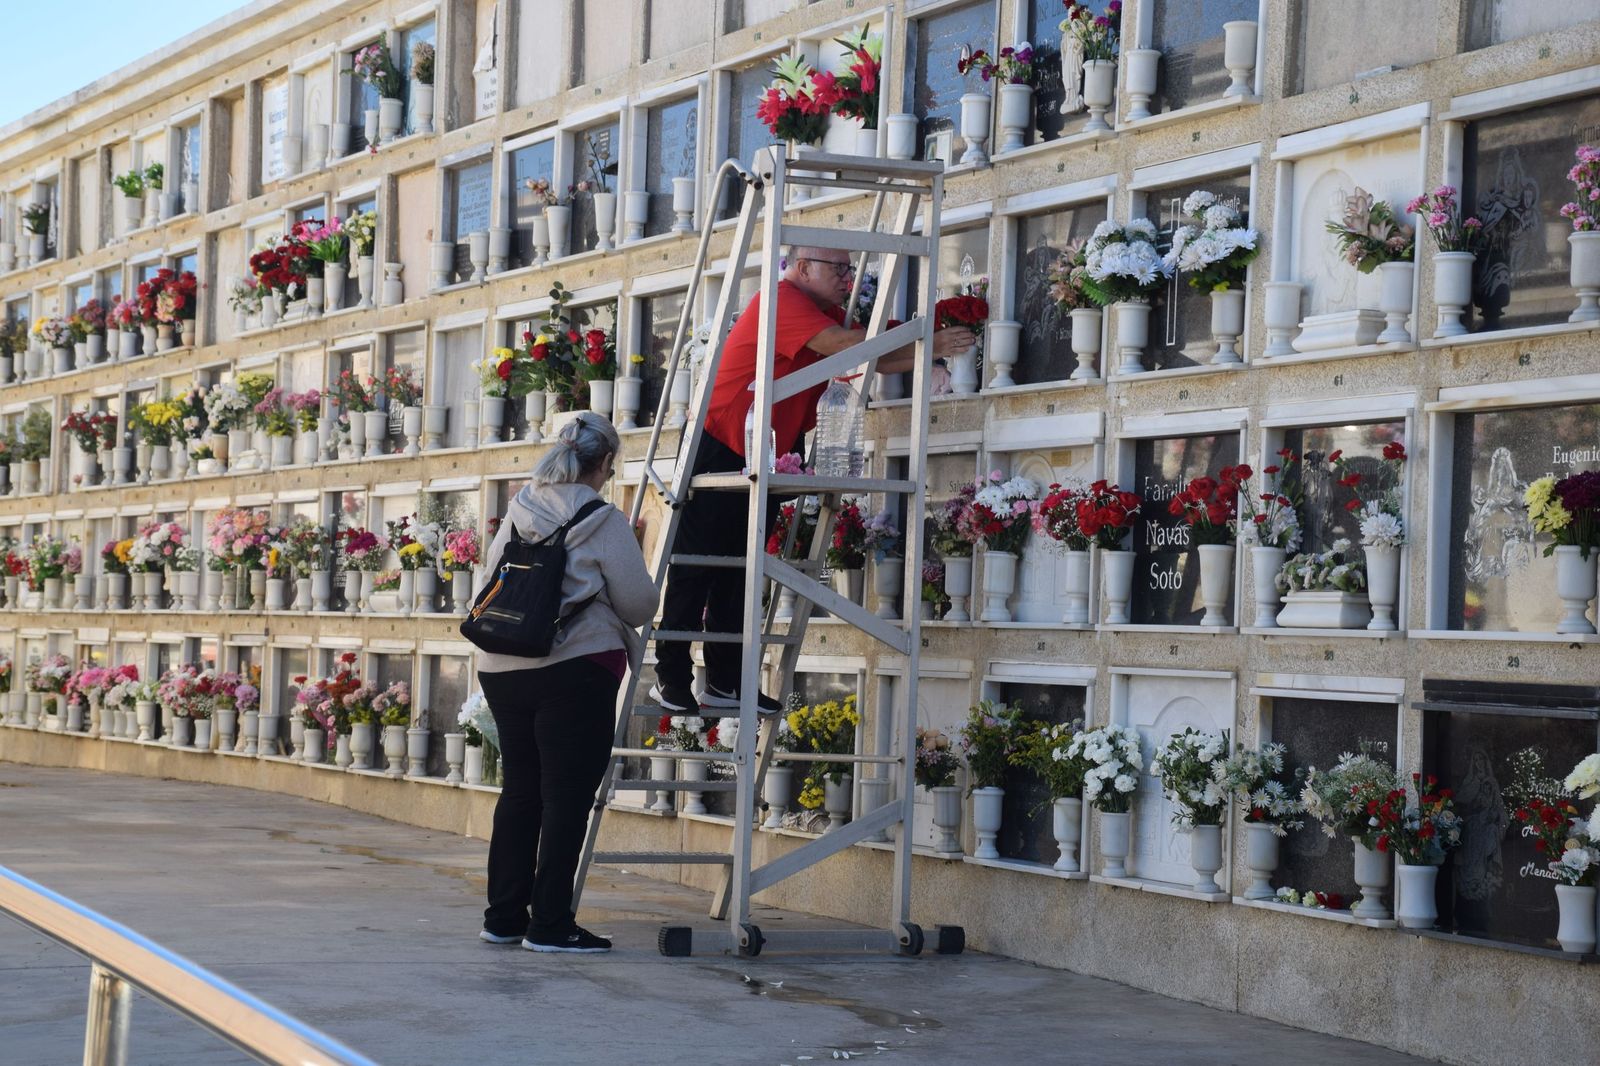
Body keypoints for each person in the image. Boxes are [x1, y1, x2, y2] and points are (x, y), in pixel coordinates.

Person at [650, 246, 977, 715]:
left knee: (740, 571)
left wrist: (934, 348)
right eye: (839, 269)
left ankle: (725, 682)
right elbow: (844, 347)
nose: (848, 278)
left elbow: (876, 357)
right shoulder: (782, 299)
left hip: (766, 446)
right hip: (720, 437)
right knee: (697, 564)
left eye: (849, 268)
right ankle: (671, 678)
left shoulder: (823, 312)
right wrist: (930, 339)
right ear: (803, 268)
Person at [475, 413, 656, 953]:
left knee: (520, 793)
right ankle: (550, 923)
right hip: (574, 670)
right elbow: (639, 604)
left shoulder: (518, 508)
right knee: (565, 798)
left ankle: (504, 917)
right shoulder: (601, 518)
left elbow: (490, 581)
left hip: (502, 668)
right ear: (603, 464)